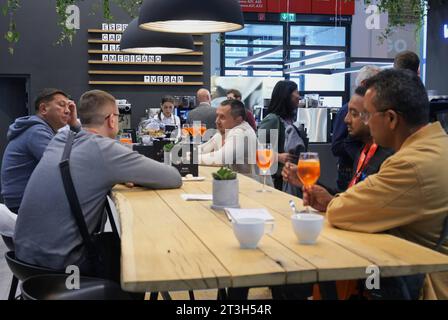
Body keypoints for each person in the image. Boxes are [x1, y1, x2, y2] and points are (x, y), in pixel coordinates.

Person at [303, 69, 448, 299]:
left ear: (391, 118)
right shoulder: (438, 145)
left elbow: (342, 212)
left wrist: (334, 202)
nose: (366, 123)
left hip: (425, 287)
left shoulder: (410, 164)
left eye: (368, 115)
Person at [14, 90, 182, 276]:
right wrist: (122, 171)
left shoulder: (61, 139)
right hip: (62, 267)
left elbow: (81, 139)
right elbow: (173, 177)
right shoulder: (105, 150)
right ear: (111, 119)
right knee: (139, 258)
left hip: (24, 259)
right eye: (118, 116)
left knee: (114, 242)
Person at [282, 86, 393, 300]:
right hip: (349, 242)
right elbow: (349, 195)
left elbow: (367, 212)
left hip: (370, 260)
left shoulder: (389, 160)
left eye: (355, 113)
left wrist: (330, 200)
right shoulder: (365, 151)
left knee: (294, 277)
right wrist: (321, 192)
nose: (345, 120)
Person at [1, 88, 80, 213]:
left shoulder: (42, 129)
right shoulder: (36, 132)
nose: (67, 111)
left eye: (69, 106)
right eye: (61, 105)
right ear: (43, 109)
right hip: (23, 204)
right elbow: (63, 164)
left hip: (27, 200)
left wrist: (74, 124)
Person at [331, 65, 381, 192]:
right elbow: (336, 146)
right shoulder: (363, 153)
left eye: (354, 114)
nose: (347, 119)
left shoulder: (386, 159)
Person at [258, 80, 299, 190]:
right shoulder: (272, 119)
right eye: (297, 92)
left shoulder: (289, 120)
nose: (299, 97)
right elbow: (255, 148)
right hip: (276, 179)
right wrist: (278, 157)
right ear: (287, 95)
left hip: (288, 177)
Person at [199, 99, 257, 176]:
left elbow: (220, 159)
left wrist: (188, 159)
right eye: (217, 116)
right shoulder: (224, 131)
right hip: (236, 183)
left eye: (222, 117)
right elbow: (202, 149)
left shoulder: (241, 132)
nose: (217, 121)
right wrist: (184, 155)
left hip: (255, 186)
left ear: (238, 119)